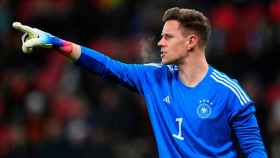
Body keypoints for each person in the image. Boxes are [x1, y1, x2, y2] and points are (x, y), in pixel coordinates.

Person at [13, 7, 267, 158]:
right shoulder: (154, 77)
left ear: (191, 42)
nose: (160, 43)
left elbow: (255, 151)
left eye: (168, 37)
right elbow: (106, 66)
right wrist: (56, 42)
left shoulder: (230, 94)